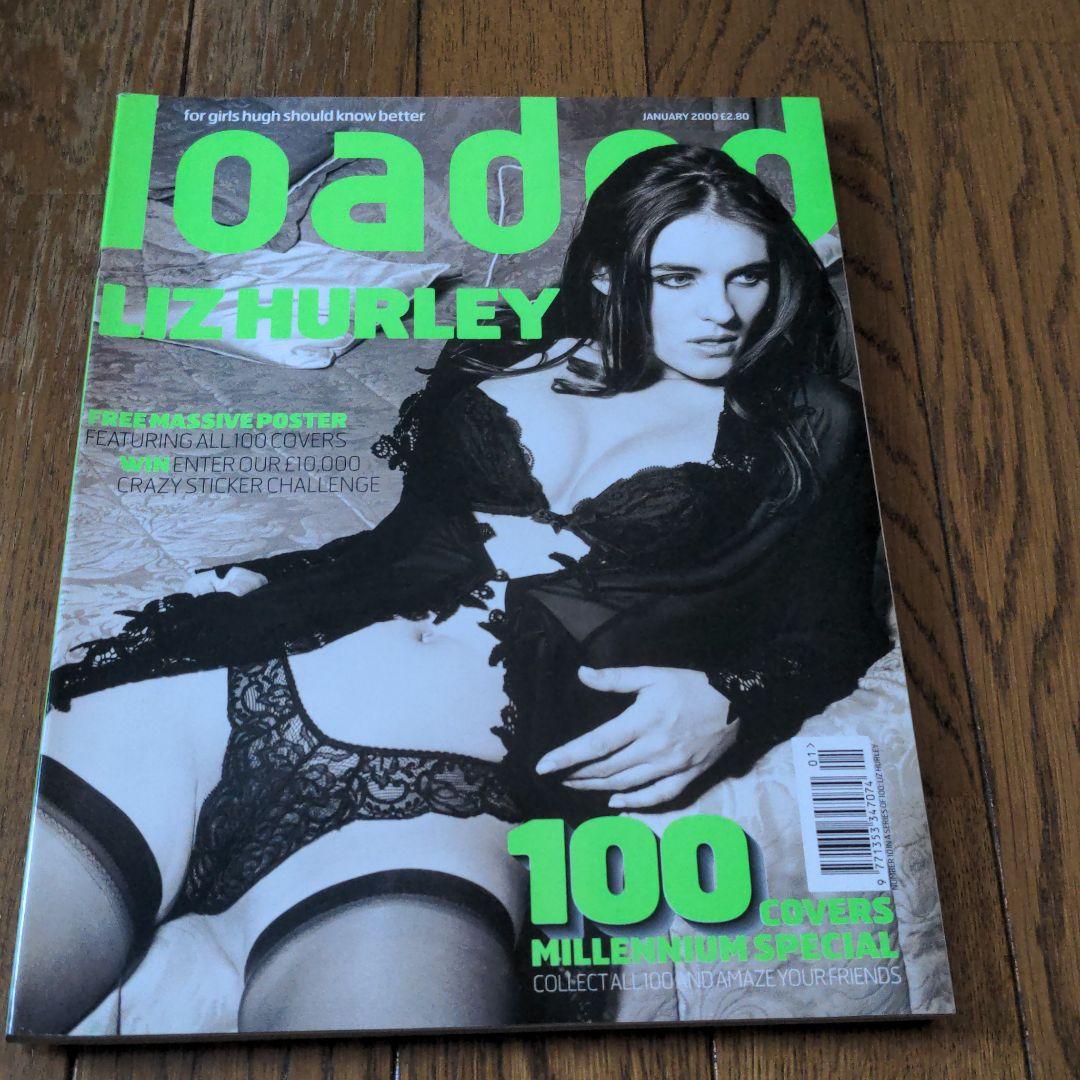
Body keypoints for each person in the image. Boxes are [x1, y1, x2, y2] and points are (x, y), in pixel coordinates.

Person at [12, 144, 890, 1036]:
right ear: (605, 272)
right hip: (225, 697)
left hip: (444, 794)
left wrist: (734, 695)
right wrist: (262, 582)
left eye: (747, 277)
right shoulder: (502, 342)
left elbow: (838, 629)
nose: (721, 312)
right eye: (678, 278)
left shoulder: (808, 423)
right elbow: (414, 539)